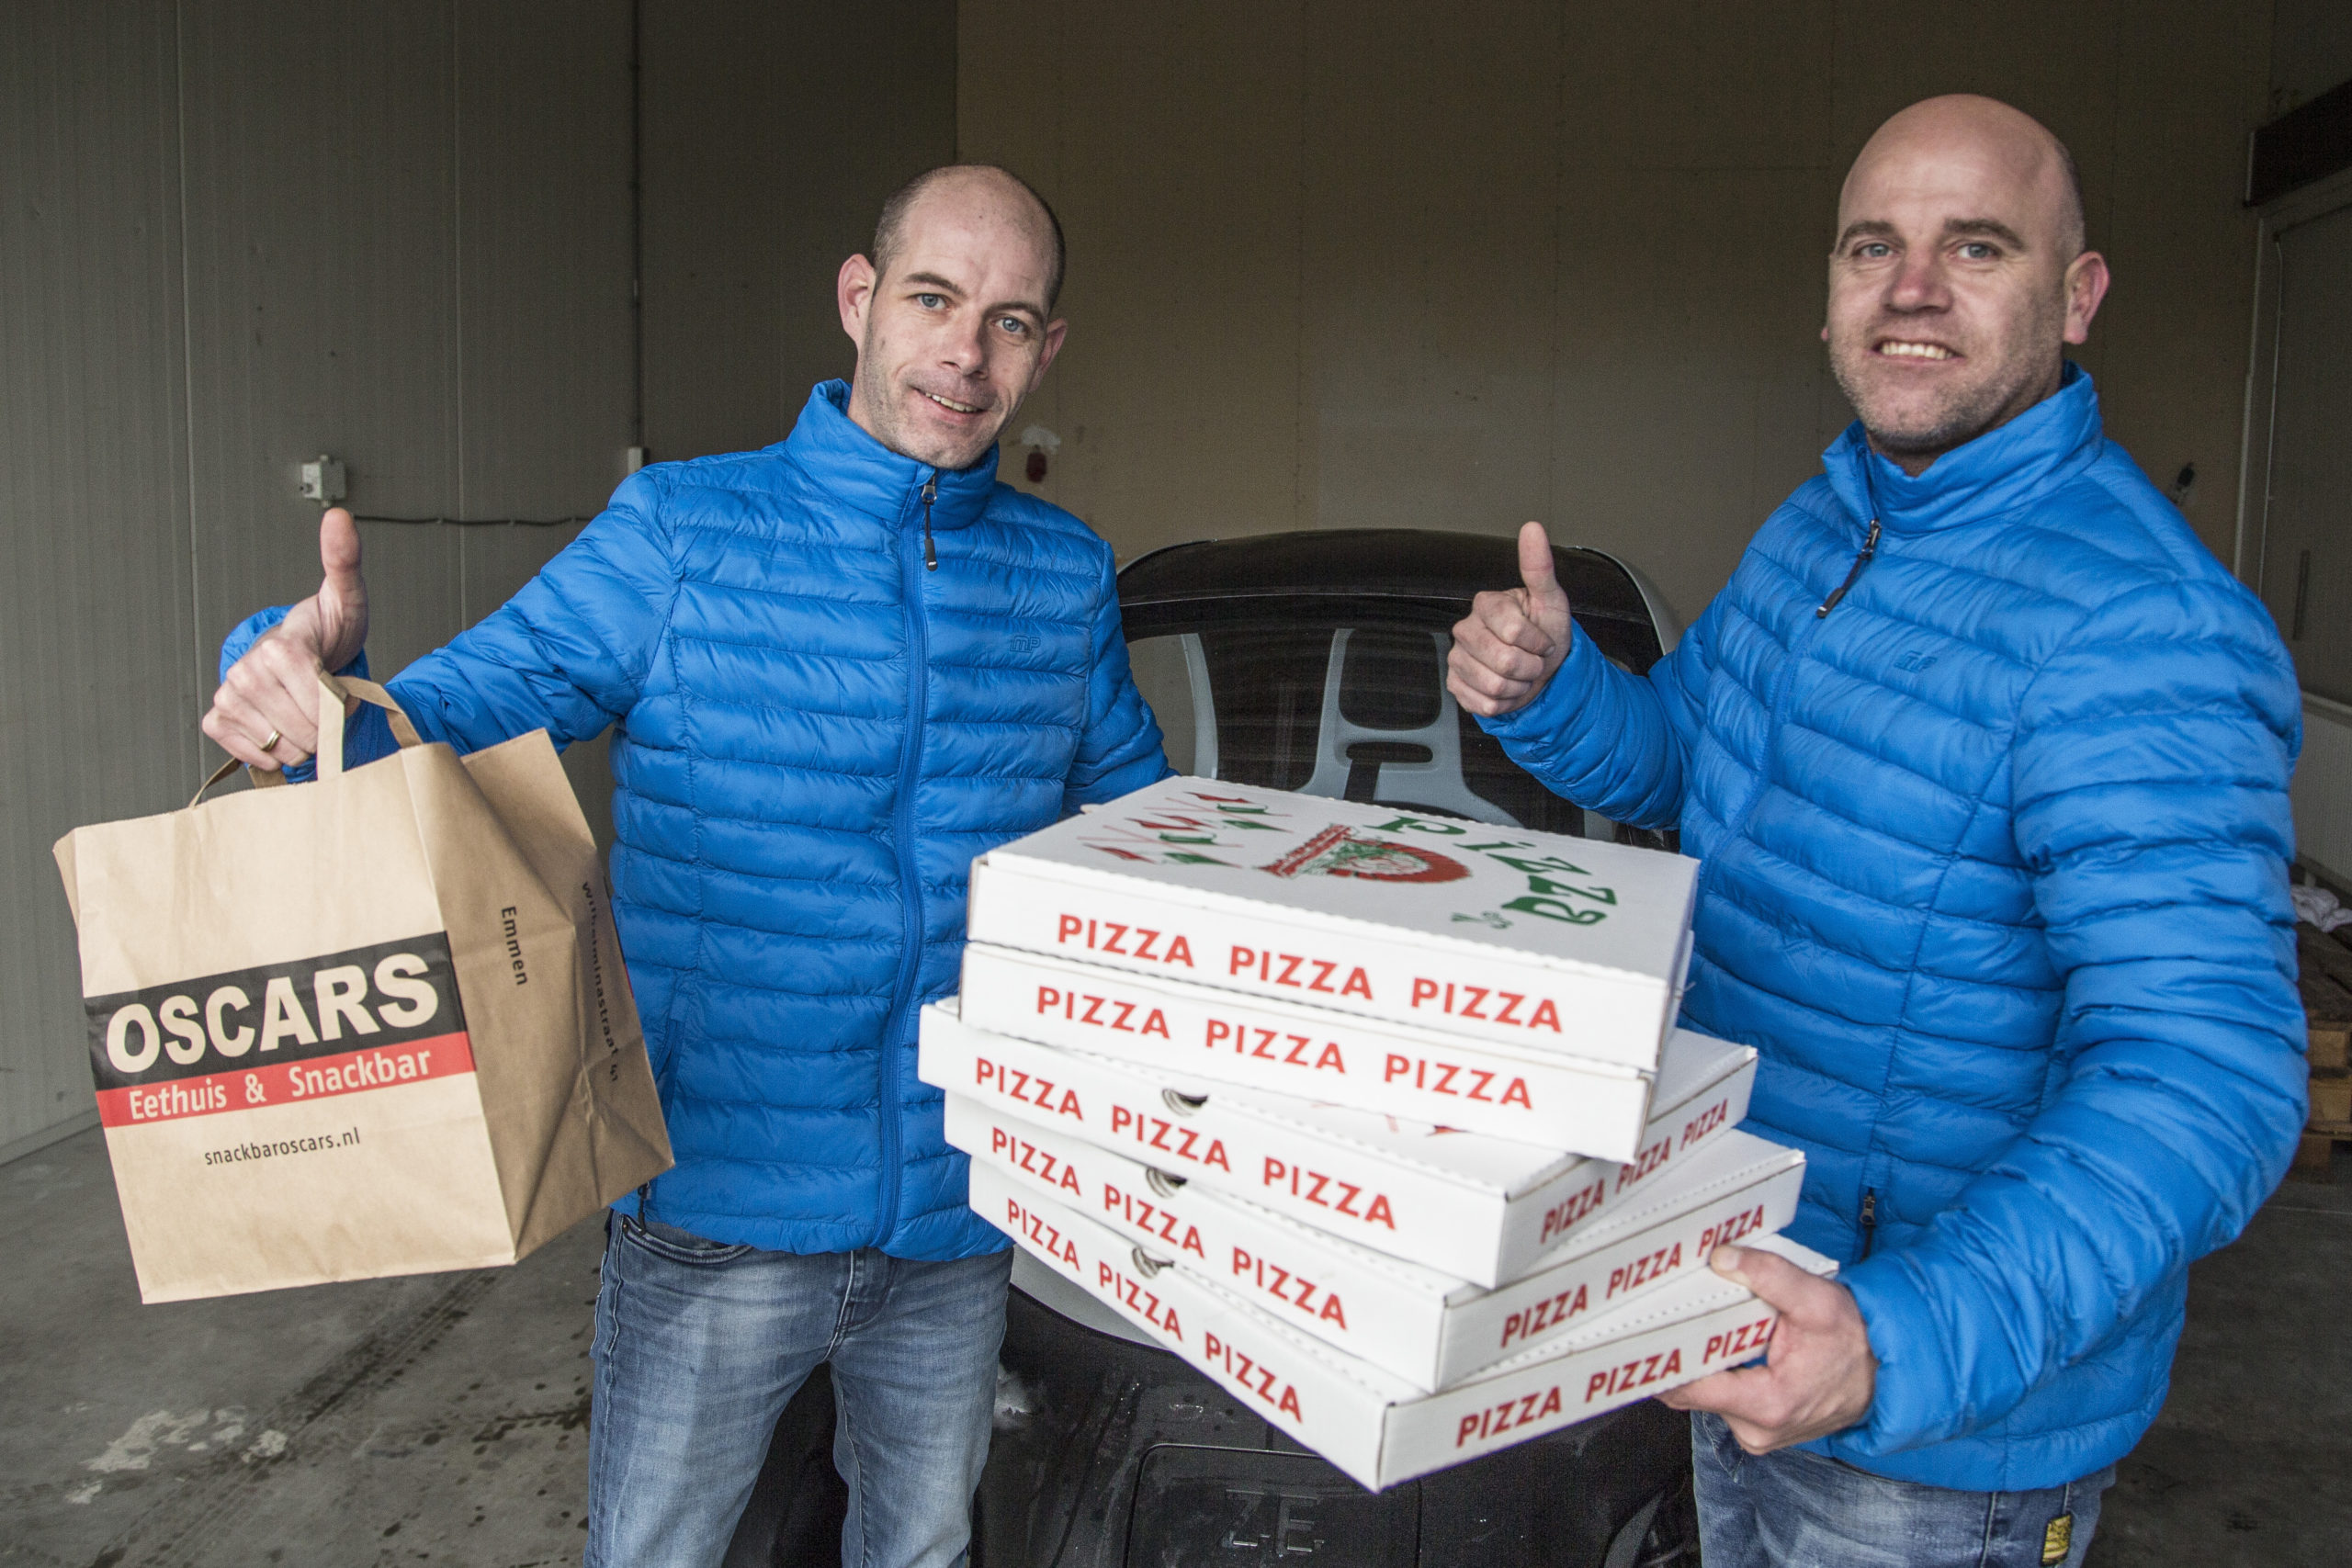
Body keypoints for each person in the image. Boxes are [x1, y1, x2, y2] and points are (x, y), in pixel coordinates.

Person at [204, 164, 1169, 1568]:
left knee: (924, 1552)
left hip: (958, 1208)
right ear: (860, 300)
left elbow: (1145, 836)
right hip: (718, 1201)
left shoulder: (1065, 576)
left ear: (1047, 350)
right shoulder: (684, 533)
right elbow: (462, 709)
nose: (966, 352)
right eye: (934, 299)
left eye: (1011, 321)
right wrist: (304, 696)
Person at [1447, 95, 2303, 1567]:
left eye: (1975, 247)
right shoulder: (1830, 521)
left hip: (1935, 1433)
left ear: (2077, 296)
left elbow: (2204, 1078)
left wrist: (1897, 1337)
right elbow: (1687, 763)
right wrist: (1557, 690)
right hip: (1746, 1300)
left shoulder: (2138, 628)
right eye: (1874, 247)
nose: (1912, 289)